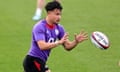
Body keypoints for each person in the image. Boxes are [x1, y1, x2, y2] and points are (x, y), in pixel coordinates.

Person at [23, 1, 88, 72]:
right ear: (49, 13)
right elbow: (42, 46)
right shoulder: (39, 27)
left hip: (40, 61)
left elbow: (67, 47)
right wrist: (58, 42)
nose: (59, 17)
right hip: (33, 60)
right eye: (56, 14)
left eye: (60, 14)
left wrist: (76, 42)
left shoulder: (59, 28)